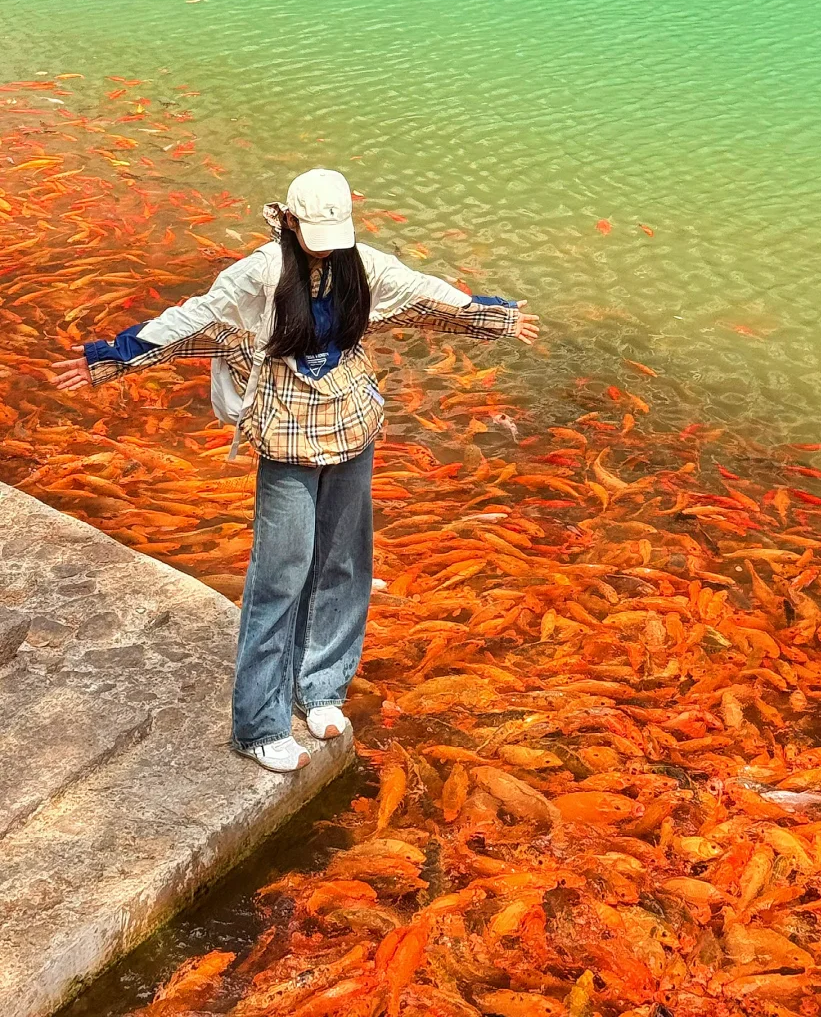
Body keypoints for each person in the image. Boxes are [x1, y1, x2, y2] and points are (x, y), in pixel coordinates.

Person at [52, 169, 539, 774]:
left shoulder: (361, 263)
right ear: (286, 220)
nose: (325, 243)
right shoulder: (260, 271)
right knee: (280, 572)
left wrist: (489, 315)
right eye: (313, 232)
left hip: (351, 420)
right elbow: (194, 316)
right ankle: (259, 723)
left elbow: (424, 292)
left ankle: (322, 689)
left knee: (346, 562)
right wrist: (112, 356)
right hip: (285, 429)